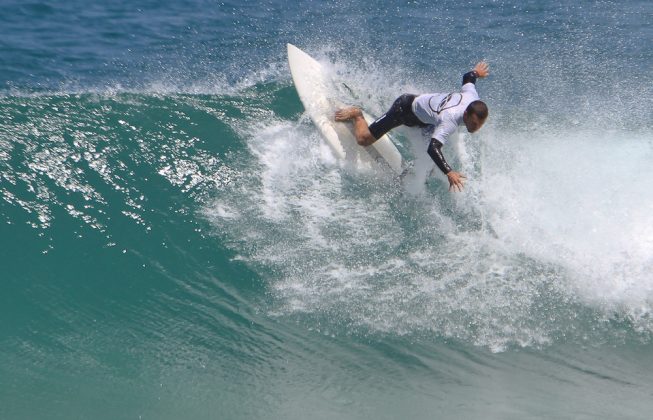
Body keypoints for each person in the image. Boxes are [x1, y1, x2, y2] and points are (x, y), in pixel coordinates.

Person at [334, 61, 489, 192]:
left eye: (480, 124)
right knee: (363, 139)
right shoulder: (450, 119)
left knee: (430, 165)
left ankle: (411, 173)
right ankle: (357, 114)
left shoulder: (472, 97)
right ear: (466, 114)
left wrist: (477, 72)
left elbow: (468, 77)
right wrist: (449, 172)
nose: (476, 128)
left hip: (427, 122)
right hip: (405, 110)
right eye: (474, 124)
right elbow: (433, 147)